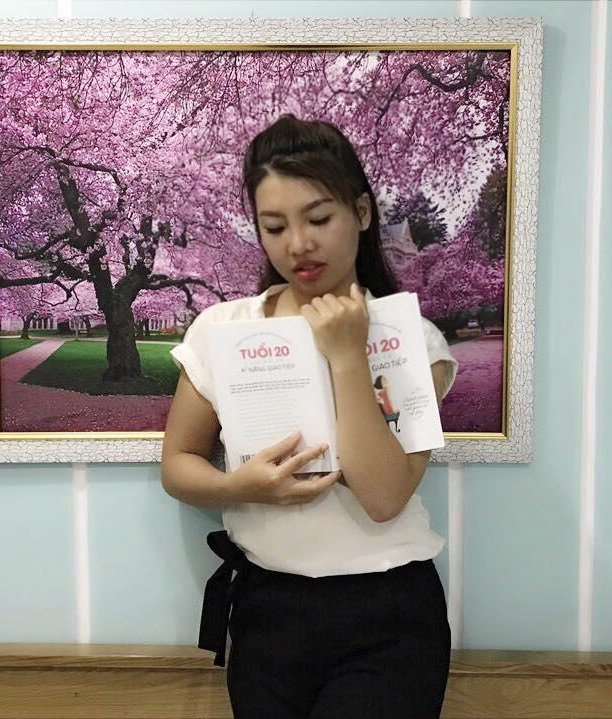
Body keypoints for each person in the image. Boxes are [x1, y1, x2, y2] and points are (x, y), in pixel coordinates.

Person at [161, 113, 458, 719]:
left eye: (319, 218)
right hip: (267, 610)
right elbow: (178, 464)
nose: (297, 244)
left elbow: (383, 497)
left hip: (389, 613)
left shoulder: (412, 339)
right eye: (274, 226)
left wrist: (348, 356)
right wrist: (242, 487)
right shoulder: (223, 330)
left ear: (362, 212)